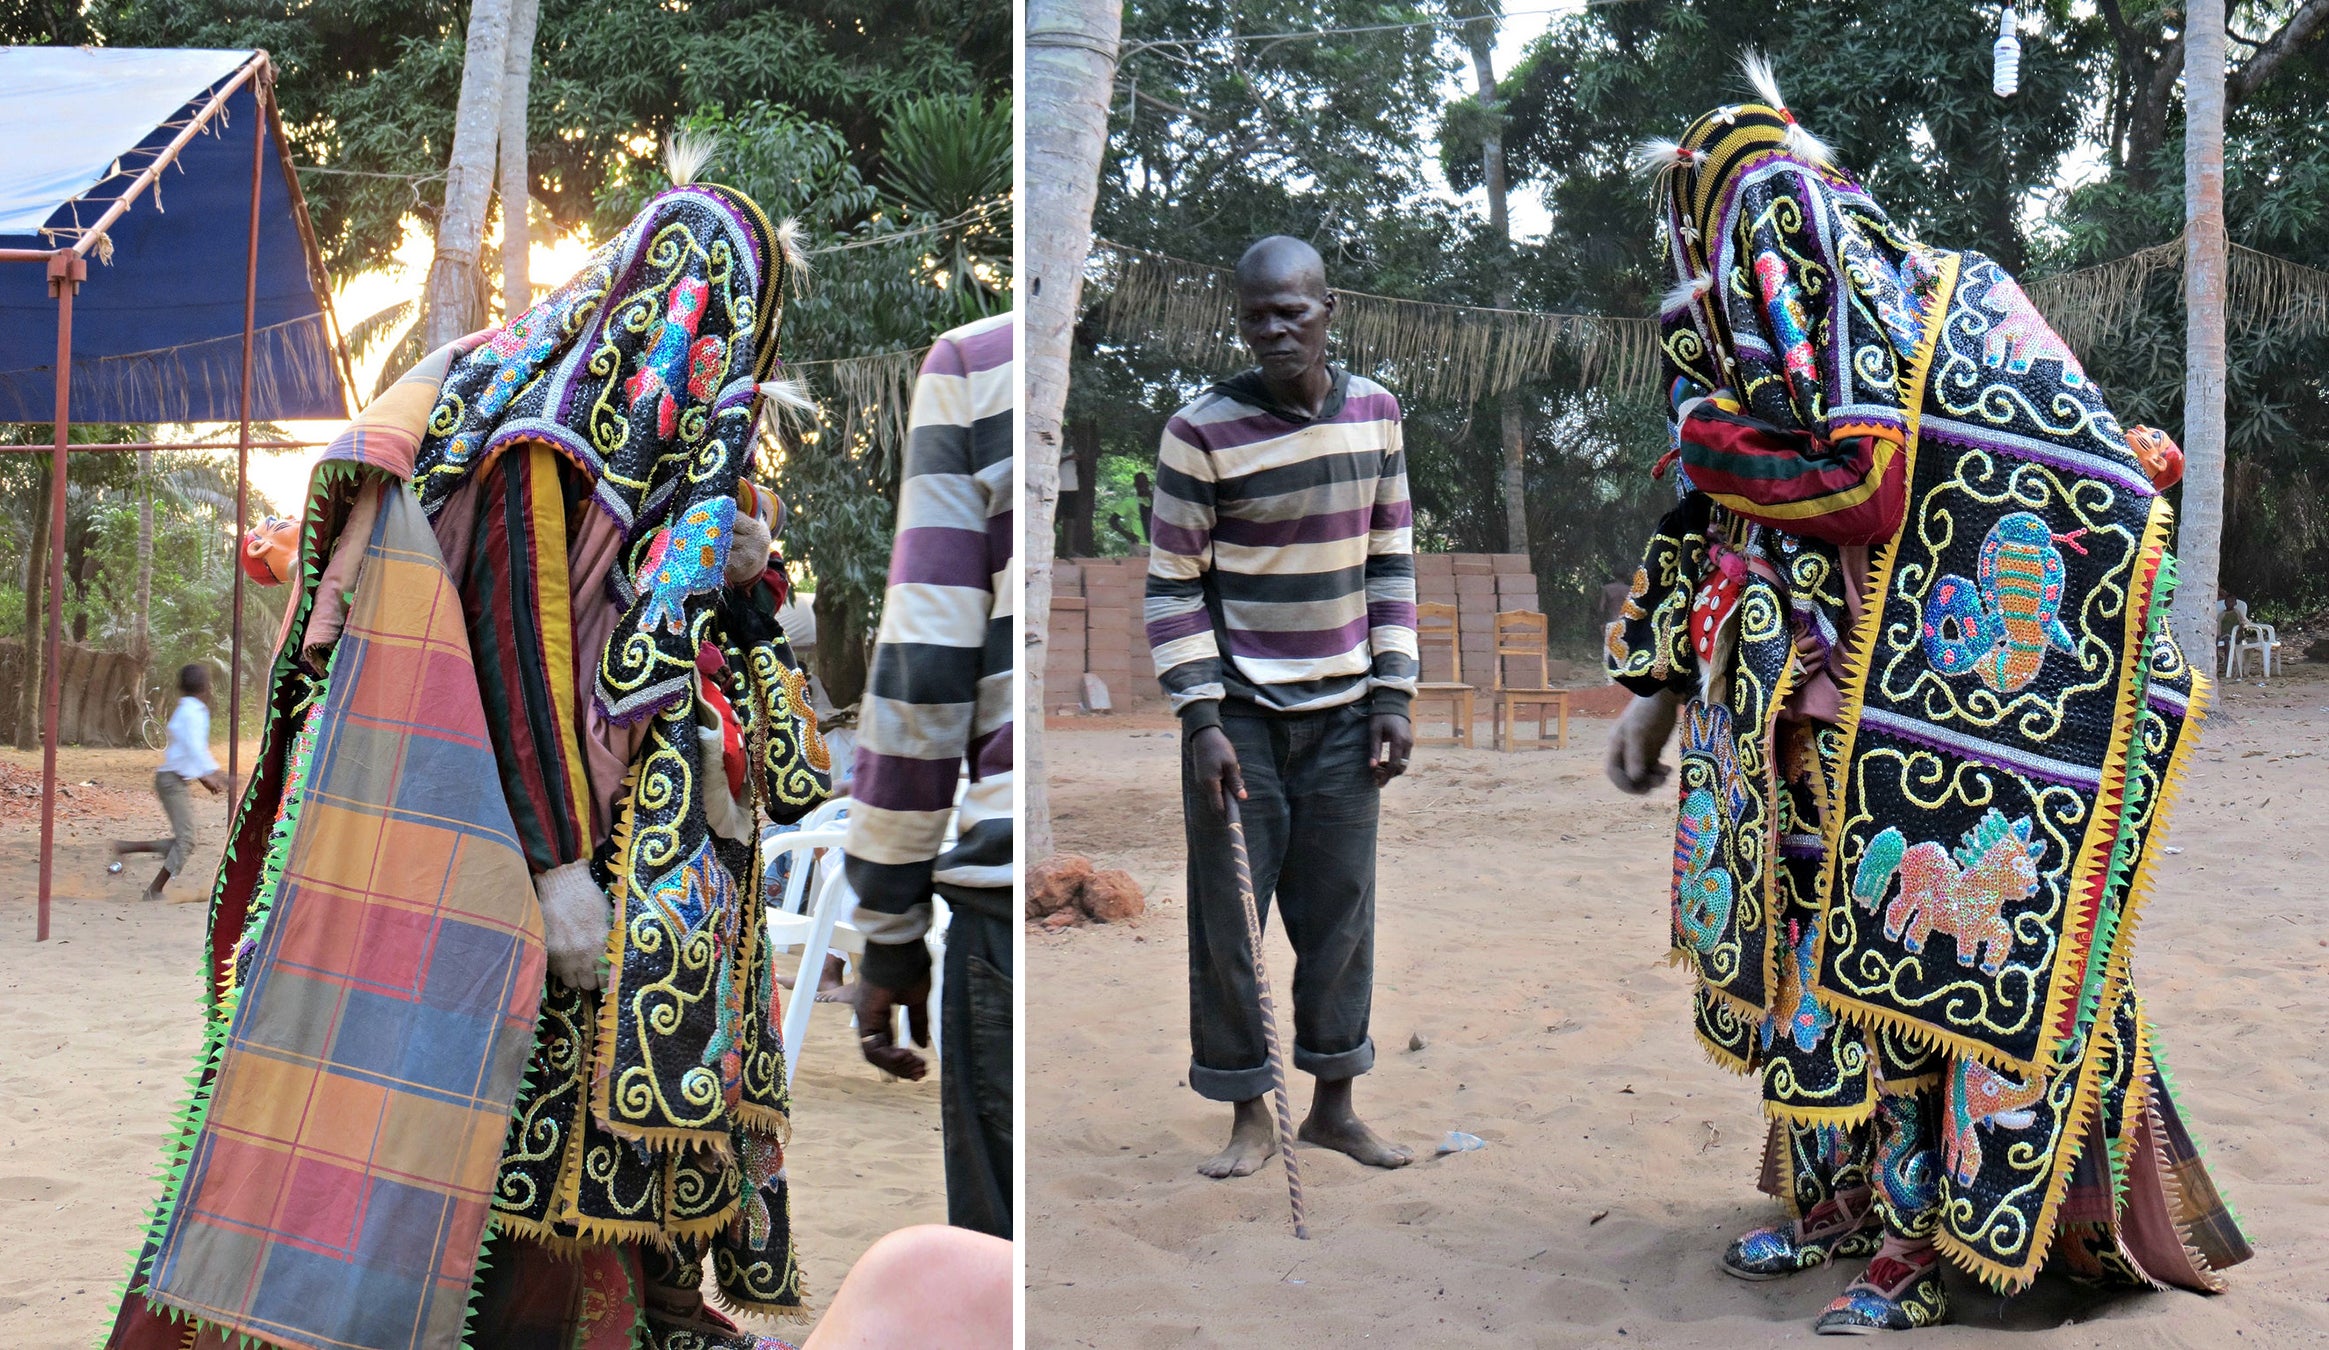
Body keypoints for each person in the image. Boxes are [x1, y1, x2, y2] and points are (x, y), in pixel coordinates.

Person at [106, 146, 830, 1350]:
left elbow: (687, 633)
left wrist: (743, 574)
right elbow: (513, 655)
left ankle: (650, 1311)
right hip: (549, 881)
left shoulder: (665, 470)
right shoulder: (544, 439)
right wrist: (552, 868)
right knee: (524, 1157)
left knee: (620, 1143)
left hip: (647, 881)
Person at [1604, 56, 2248, 1333]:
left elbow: (1867, 481)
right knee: (1806, 959)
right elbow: (1712, 526)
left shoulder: (1922, 310)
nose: (1734, 267)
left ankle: (1923, 1241)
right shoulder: (1767, 344)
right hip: (1791, 712)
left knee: (1909, 972)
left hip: (1905, 714)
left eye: (1739, 233)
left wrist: (1713, 445)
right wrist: (1659, 691)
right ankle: (1840, 1206)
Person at [1146, 235, 1417, 1179]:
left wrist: (1394, 692)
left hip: (1348, 716)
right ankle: (1249, 1115)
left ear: (1327, 308)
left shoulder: (1377, 416)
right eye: (1254, 314)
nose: (1270, 330)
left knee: (1340, 915)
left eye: (1289, 312)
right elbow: (1173, 584)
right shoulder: (1199, 429)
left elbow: (1388, 562)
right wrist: (1201, 719)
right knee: (1231, 919)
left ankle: (1333, 1107)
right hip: (1241, 723)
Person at [845, 309, 1016, 1238]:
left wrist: (887, 934)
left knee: (994, 1261)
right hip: (1022, 876)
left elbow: (922, 674)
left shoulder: (977, 362)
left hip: (1003, 892)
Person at [111, 663, 225, 900]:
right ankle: (154, 891)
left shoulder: (188, 709)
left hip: (173, 779)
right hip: (171, 781)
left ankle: (127, 847)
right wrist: (212, 774)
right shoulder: (193, 712)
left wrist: (206, 778)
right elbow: (194, 748)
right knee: (187, 840)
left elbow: (186, 749)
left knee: (185, 839)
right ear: (205, 687)